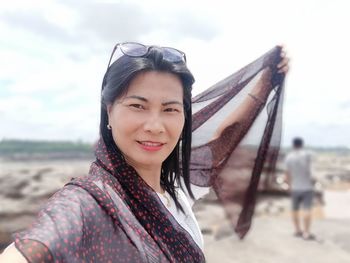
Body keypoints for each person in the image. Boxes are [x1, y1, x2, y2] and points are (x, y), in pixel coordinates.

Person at [0, 42, 289, 262]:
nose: (155, 126)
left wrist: (267, 79)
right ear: (109, 112)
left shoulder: (175, 186)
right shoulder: (88, 202)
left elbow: (224, 138)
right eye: (138, 106)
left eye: (170, 109)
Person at [285, 137, 315, 240]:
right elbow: (312, 172)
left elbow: (287, 174)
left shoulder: (289, 157)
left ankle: (297, 230)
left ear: (293, 145)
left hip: (295, 187)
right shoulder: (307, 155)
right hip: (307, 187)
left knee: (295, 210)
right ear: (302, 144)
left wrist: (289, 186)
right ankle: (306, 233)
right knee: (307, 209)